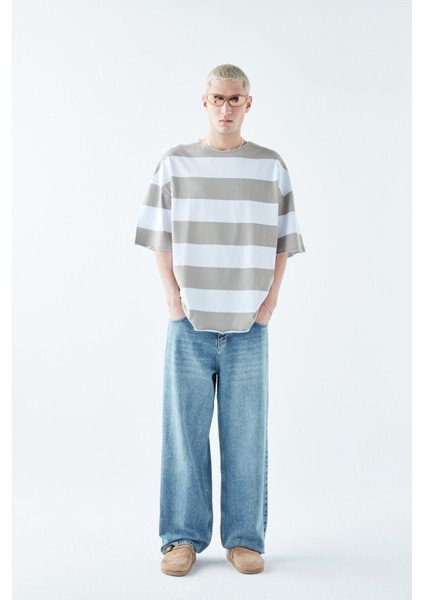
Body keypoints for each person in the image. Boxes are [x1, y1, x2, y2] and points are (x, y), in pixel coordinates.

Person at [135, 64, 305, 576]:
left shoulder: (271, 167)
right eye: (217, 98)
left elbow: (284, 241)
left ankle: (244, 540)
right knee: (183, 434)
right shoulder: (175, 163)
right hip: (189, 323)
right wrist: (172, 299)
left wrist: (270, 303)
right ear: (203, 101)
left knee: (246, 435)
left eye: (235, 99)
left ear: (248, 103)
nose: (225, 108)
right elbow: (159, 235)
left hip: (249, 327)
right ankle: (181, 539)